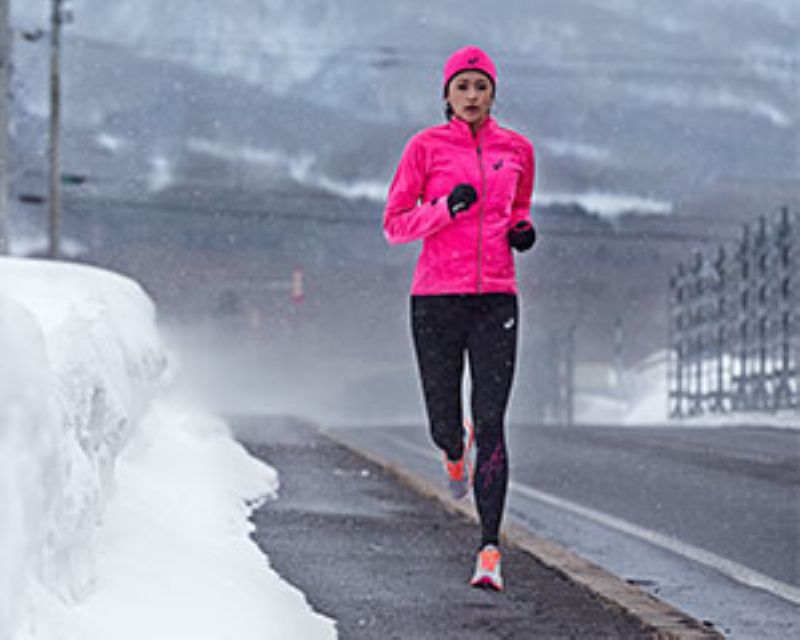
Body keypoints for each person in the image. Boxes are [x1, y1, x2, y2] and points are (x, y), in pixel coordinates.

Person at [383, 45, 536, 591]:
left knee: (492, 422)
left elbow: (518, 208)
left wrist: (522, 230)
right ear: (446, 94)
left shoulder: (517, 149)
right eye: (462, 86)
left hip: (496, 298)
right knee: (445, 423)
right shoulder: (424, 149)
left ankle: (489, 548)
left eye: (481, 86)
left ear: (494, 92)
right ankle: (453, 450)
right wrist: (446, 208)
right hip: (436, 300)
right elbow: (395, 224)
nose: (472, 96)